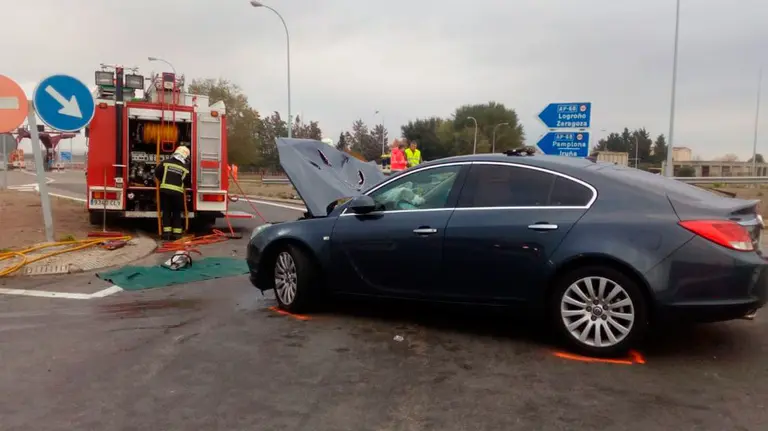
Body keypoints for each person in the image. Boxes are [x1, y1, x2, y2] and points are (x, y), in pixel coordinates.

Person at [154, 145, 191, 240]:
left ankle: (166, 234)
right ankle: (177, 234)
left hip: (164, 191)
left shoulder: (165, 163)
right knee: (176, 212)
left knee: (166, 211)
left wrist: (162, 180)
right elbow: (187, 182)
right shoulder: (185, 169)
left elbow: (157, 172)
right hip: (177, 193)